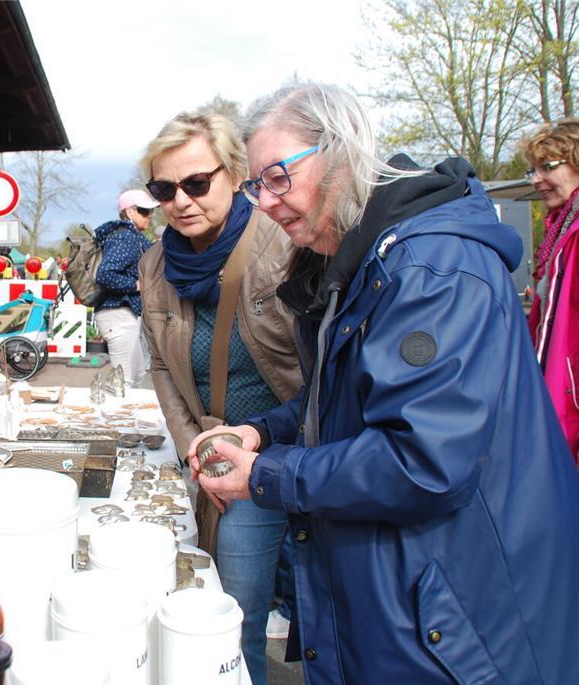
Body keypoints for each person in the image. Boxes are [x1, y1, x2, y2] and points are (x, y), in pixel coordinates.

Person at [191, 82, 579, 683]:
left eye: (277, 177)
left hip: (461, 620)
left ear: (342, 153)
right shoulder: (359, 261)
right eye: (254, 186)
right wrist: (264, 433)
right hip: (413, 602)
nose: (264, 203)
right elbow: (349, 396)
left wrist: (265, 476)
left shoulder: (432, 268)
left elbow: (421, 459)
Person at [137, 109, 301, 685]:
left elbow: (318, 369)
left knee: (248, 611)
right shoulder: (155, 263)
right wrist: (192, 449)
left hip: (280, 447)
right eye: (164, 189)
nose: (181, 201)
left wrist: (257, 444)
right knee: (223, 603)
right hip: (210, 457)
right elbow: (160, 363)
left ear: (234, 174)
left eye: (197, 183)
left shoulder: (282, 244)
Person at [521, 117, 579, 458]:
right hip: (558, 397)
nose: (537, 179)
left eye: (547, 167)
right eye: (533, 170)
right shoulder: (560, 231)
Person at [92, 189, 155, 387]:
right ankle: (117, 417)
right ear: (129, 212)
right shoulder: (126, 238)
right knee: (125, 381)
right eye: (144, 211)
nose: (150, 216)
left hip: (121, 314)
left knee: (131, 378)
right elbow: (105, 274)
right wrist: (136, 285)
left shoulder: (126, 237)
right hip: (118, 314)